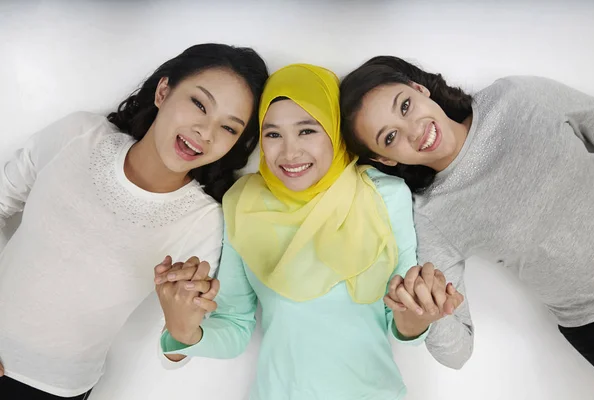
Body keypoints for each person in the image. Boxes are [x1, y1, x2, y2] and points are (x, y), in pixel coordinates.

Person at [154, 63, 464, 400]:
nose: (289, 152)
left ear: (334, 130)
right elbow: (234, 324)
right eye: (272, 134)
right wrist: (181, 331)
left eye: (307, 131)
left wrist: (418, 313)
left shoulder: (385, 194)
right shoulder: (243, 203)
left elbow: (400, 316)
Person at [0, 43, 268, 398]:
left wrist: (182, 327)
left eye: (229, 128)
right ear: (163, 91)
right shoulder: (78, 135)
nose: (205, 132)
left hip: (54, 388)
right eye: (199, 104)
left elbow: (174, 347)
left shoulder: (203, 221)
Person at [339, 55, 594, 371]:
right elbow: (456, 353)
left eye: (405, 106)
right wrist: (420, 318)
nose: (414, 131)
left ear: (419, 89)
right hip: (593, 317)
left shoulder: (517, 97)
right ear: (386, 159)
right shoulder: (432, 215)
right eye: (390, 137)